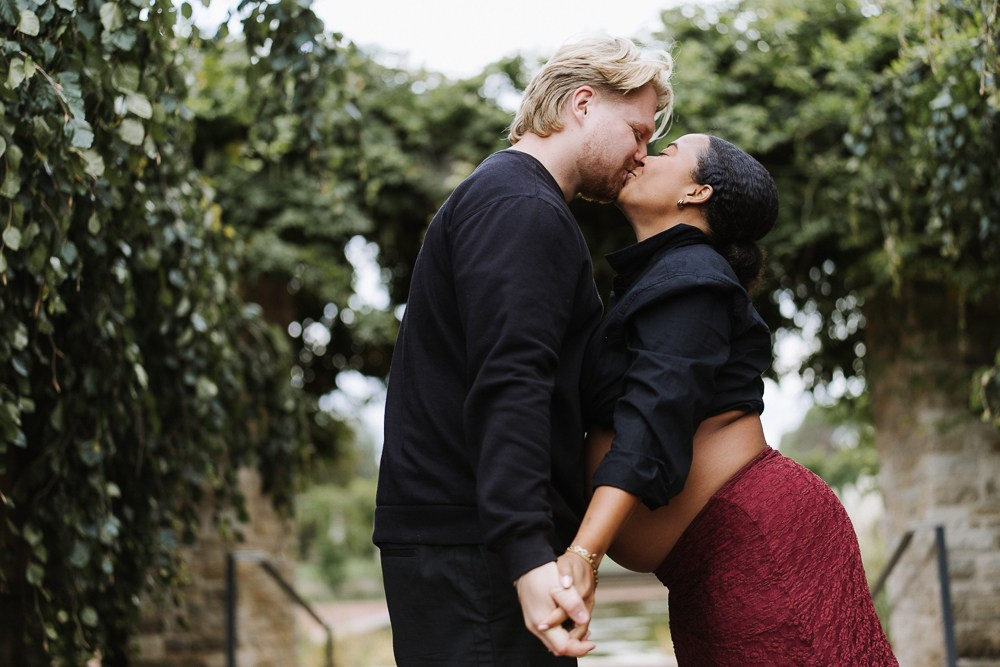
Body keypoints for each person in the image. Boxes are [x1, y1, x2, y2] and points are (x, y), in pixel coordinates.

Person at [372, 36, 674, 664]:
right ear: (584, 104)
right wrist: (527, 554)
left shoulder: (516, 199)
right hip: (473, 553)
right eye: (638, 133)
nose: (641, 156)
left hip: (468, 544)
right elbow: (510, 381)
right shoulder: (520, 205)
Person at [547, 134, 898, 665]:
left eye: (666, 153)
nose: (644, 154)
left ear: (697, 191)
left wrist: (583, 554)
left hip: (758, 544)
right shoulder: (665, 276)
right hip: (714, 558)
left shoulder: (693, 278)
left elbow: (654, 416)